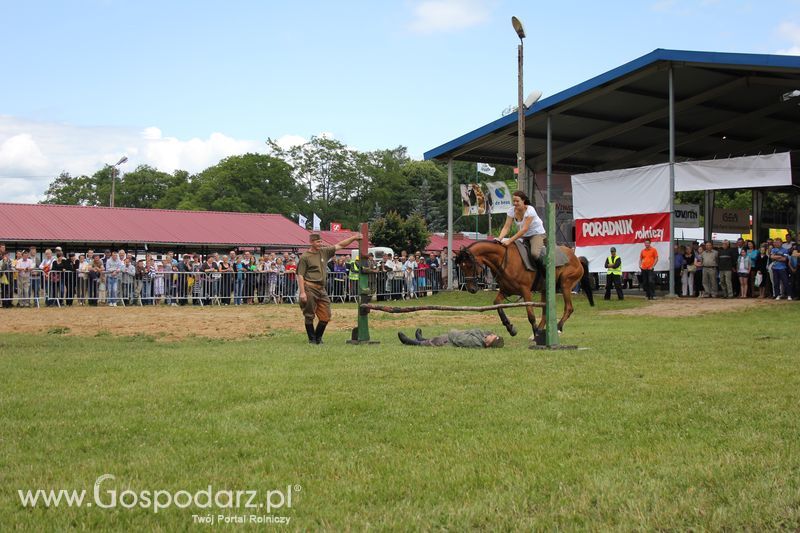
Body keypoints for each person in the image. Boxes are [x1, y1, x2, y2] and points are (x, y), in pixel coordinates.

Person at [297, 232, 362, 344]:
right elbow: (300, 275)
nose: (320, 243)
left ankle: (318, 337)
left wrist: (354, 238)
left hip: (321, 288)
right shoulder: (305, 257)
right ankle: (312, 340)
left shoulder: (324, 252)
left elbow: (340, 245)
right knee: (309, 315)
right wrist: (302, 293)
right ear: (311, 242)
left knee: (326, 316)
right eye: (318, 242)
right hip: (309, 287)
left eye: (320, 241)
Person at [497, 190, 546, 279]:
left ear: (523, 201)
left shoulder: (530, 210)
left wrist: (509, 240)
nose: (515, 203)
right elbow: (506, 227)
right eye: (514, 201)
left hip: (536, 234)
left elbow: (524, 229)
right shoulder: (511, 211)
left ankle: (544, 275)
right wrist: (499, 238)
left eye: (517, 201)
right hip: (523, 236)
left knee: (534, 254)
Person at [398, 328, 504, 348]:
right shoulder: (482, 338)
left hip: (449, 342)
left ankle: (410, 342)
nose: (489, 335)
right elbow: (482, 331)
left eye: (491, 337)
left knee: (432, 342)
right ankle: (421, 338)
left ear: (488, 344)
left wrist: (453, 331)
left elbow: (459, 339)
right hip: (450, 339)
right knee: (435, 338)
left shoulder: (475, 341)